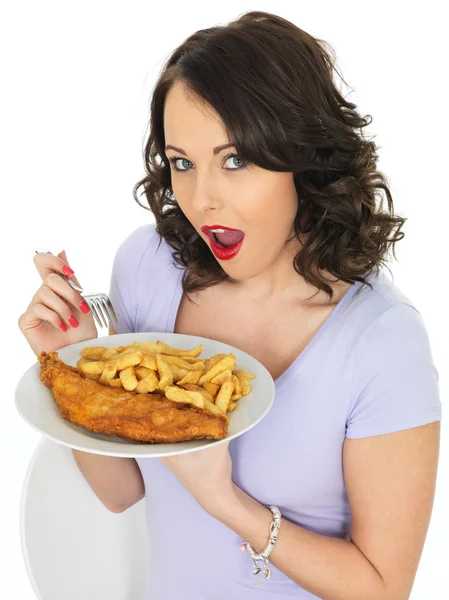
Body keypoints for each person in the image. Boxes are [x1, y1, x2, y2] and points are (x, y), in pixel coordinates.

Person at [19, 10, 442, 600]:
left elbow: (384, 587)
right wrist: (67, 365)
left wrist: (223, 500)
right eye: (183, 163)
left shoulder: (382, 340)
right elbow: (120, 491)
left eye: (235, 160)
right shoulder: (147, 269)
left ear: (301, 155)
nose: (203, 199)